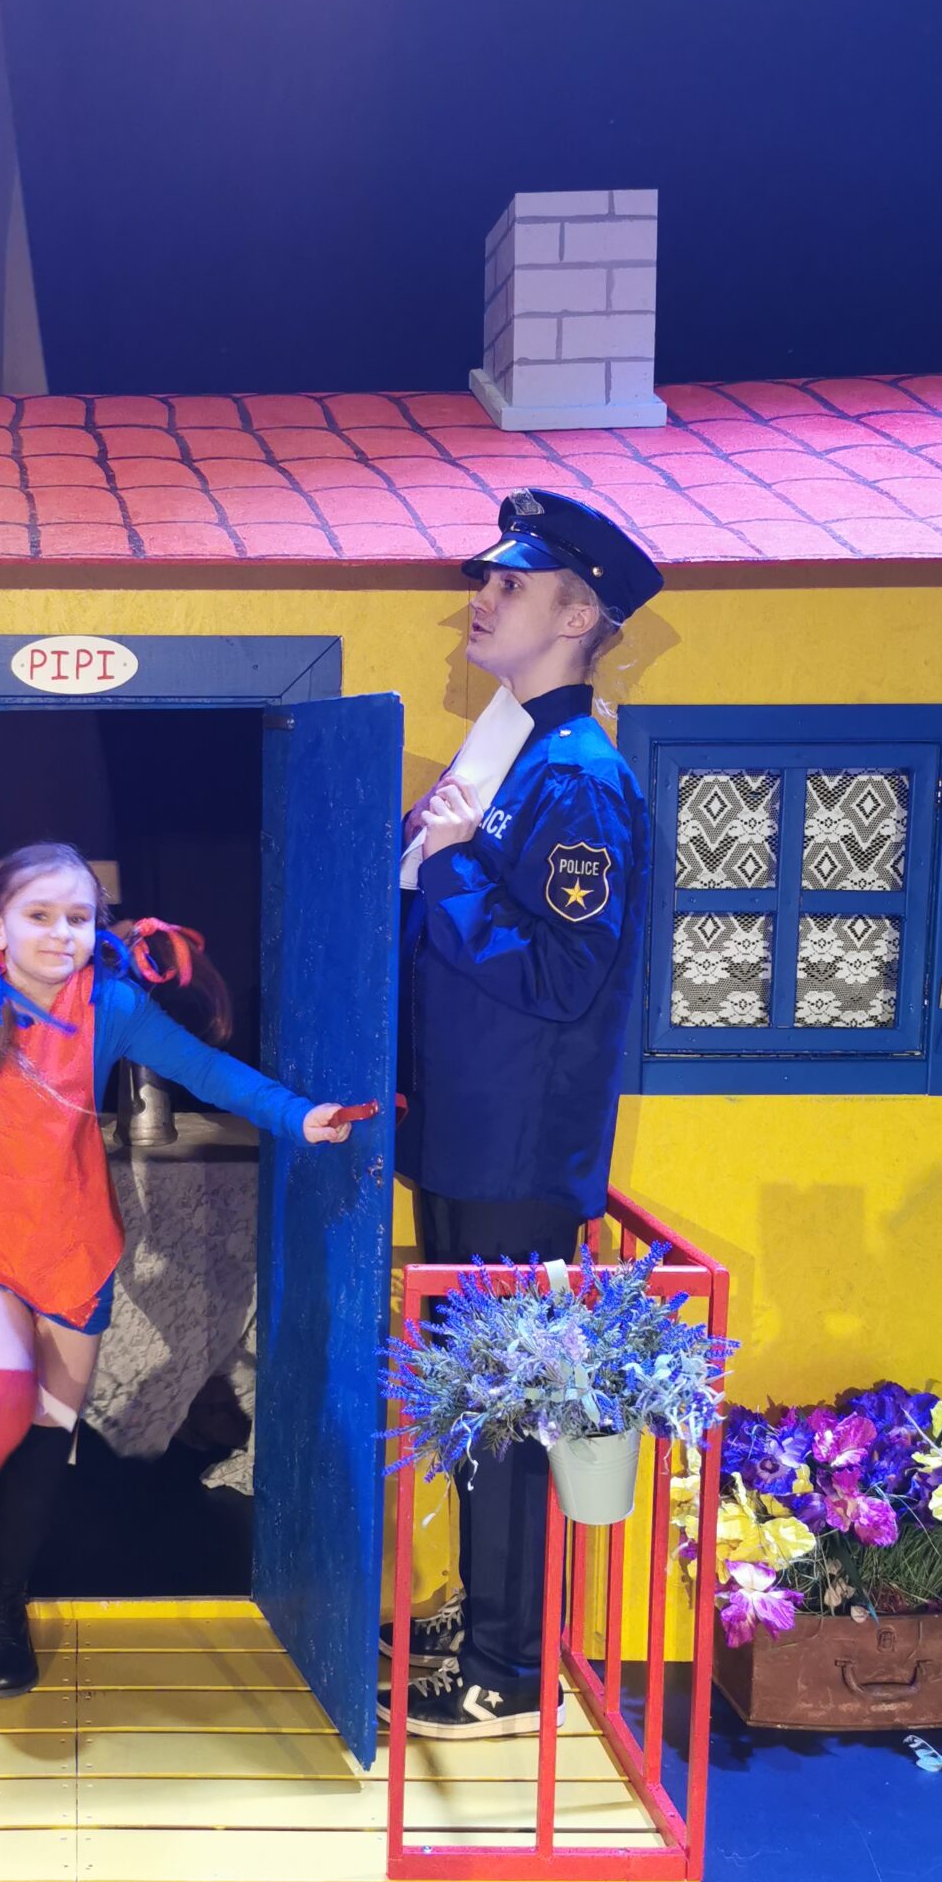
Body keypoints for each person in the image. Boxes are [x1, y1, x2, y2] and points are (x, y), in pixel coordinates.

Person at [0, 840, 357, 1697]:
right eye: (39, 915)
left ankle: (6, 1606)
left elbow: (207, 1071)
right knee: (0, 1392)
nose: (61, 934)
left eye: (78, 917)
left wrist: (299, 1116)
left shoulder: (111, 1003)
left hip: (72, 1244)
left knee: (44, 1440)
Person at [391, 489, 663, 1739]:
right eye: (488, 579)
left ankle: (508, 1670)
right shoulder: (509, 753)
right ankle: (488, 1618)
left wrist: (450, 865)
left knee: (502, 1410)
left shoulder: (580, 779)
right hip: (466, 1135)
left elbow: (561, 976)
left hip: (514, 1152)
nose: (483, 598)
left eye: (511, 583)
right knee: (474, 1403)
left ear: (577, 613)